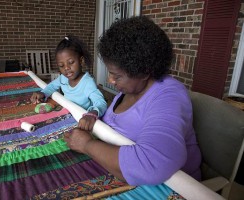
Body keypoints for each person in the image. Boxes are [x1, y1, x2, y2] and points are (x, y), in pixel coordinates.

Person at [64, 16, 201, 186]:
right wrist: (95, 115)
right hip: (117, 173)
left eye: (117, 75)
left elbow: (151, 165)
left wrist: (87, 145)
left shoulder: (169, 96)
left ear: (144, 72)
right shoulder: (129, 90)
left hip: (170, 188)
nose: (110, 80)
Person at [30, 35, 107, 131]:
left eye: (71, 62)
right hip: (67, 113)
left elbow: (101, 103)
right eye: (61, 66)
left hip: (80, 119)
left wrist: (92, 114)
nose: (66, 68)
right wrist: (43, 93)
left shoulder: (87, 83)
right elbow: (52, 86)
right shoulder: (63, 78)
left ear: (81, 61)